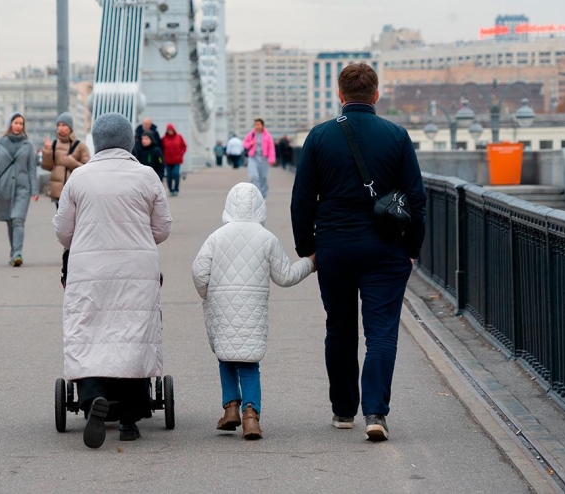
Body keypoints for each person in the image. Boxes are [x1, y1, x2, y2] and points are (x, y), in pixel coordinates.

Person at [290, 63, 426, 441]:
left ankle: (343, 411)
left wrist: (309, 250)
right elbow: (417, 199)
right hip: (386, 249)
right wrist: (411, 249)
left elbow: (301, 201)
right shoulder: (397, 136)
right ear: (376, 95)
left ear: (340, 94)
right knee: (382, 332)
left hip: (334, 247)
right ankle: (376, 413)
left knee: (340, 328)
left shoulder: (318, 138)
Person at [53, 112, 172, 449]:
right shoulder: (146, 176)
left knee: (90, 332)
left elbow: (64, 233)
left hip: (89, 270)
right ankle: (131, 419)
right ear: (129, 141)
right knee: (132, 334)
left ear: (97, 141)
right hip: (136, 269)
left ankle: (93, 400)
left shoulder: (79, 177)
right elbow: (162, 228)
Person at [192, 182, 316, 440]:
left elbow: (199, 272)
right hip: (253, 308)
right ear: (260, 208)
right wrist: (310, 263)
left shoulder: (216, 237)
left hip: (221, 305)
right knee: (249, 361)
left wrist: (208, 295)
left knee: (226, 357)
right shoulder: (267, 238)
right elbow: (285, 277)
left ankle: (230, 409)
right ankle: (251, 416)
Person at [0, 113, 39, 267]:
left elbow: (32, 170)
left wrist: (34, 191)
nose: (18, 126)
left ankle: (17, 253)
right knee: (10, 221)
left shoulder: (28, 145)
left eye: (21, 123)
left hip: (23, 188)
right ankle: (13, 253)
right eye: (16, 123)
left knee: (18, 219)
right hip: (4, 189)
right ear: (10, 124)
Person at [40, 112, 90, 207]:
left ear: (70, 127)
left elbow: (87, 169)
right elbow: (47, 166)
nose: (61, 128)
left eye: (64, 125)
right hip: (58, 192)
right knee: (61, 220)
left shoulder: (80, 146)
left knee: (74, 220)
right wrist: (47, 151)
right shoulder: (53, 145)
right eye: (58, 125)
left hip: (74, 192)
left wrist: (72, 163)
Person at [243, 118, 276, 199]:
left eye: (258, 124)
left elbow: (271, 148)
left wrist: (272, 159)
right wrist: (250, 144)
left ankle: (263, 195)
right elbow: (244, 144)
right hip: (253, 157)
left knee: (263, 177)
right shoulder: (251, 134)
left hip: (264, 158)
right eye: (255, 125)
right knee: (254, 176)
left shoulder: (267, 136)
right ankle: (255, 195)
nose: (257, 126)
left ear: (262, 125)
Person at [162, 123, 187, 196]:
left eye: (171, 130)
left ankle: (176, 188)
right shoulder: (164, 139)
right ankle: (171, 189)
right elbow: (161, 149)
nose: (170, 131)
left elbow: (184, 146)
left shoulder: (179, 137)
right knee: (169, 176)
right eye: (169, 130)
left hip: (177, 160)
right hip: (168, 160)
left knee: (176, 174)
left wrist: (181, 154)